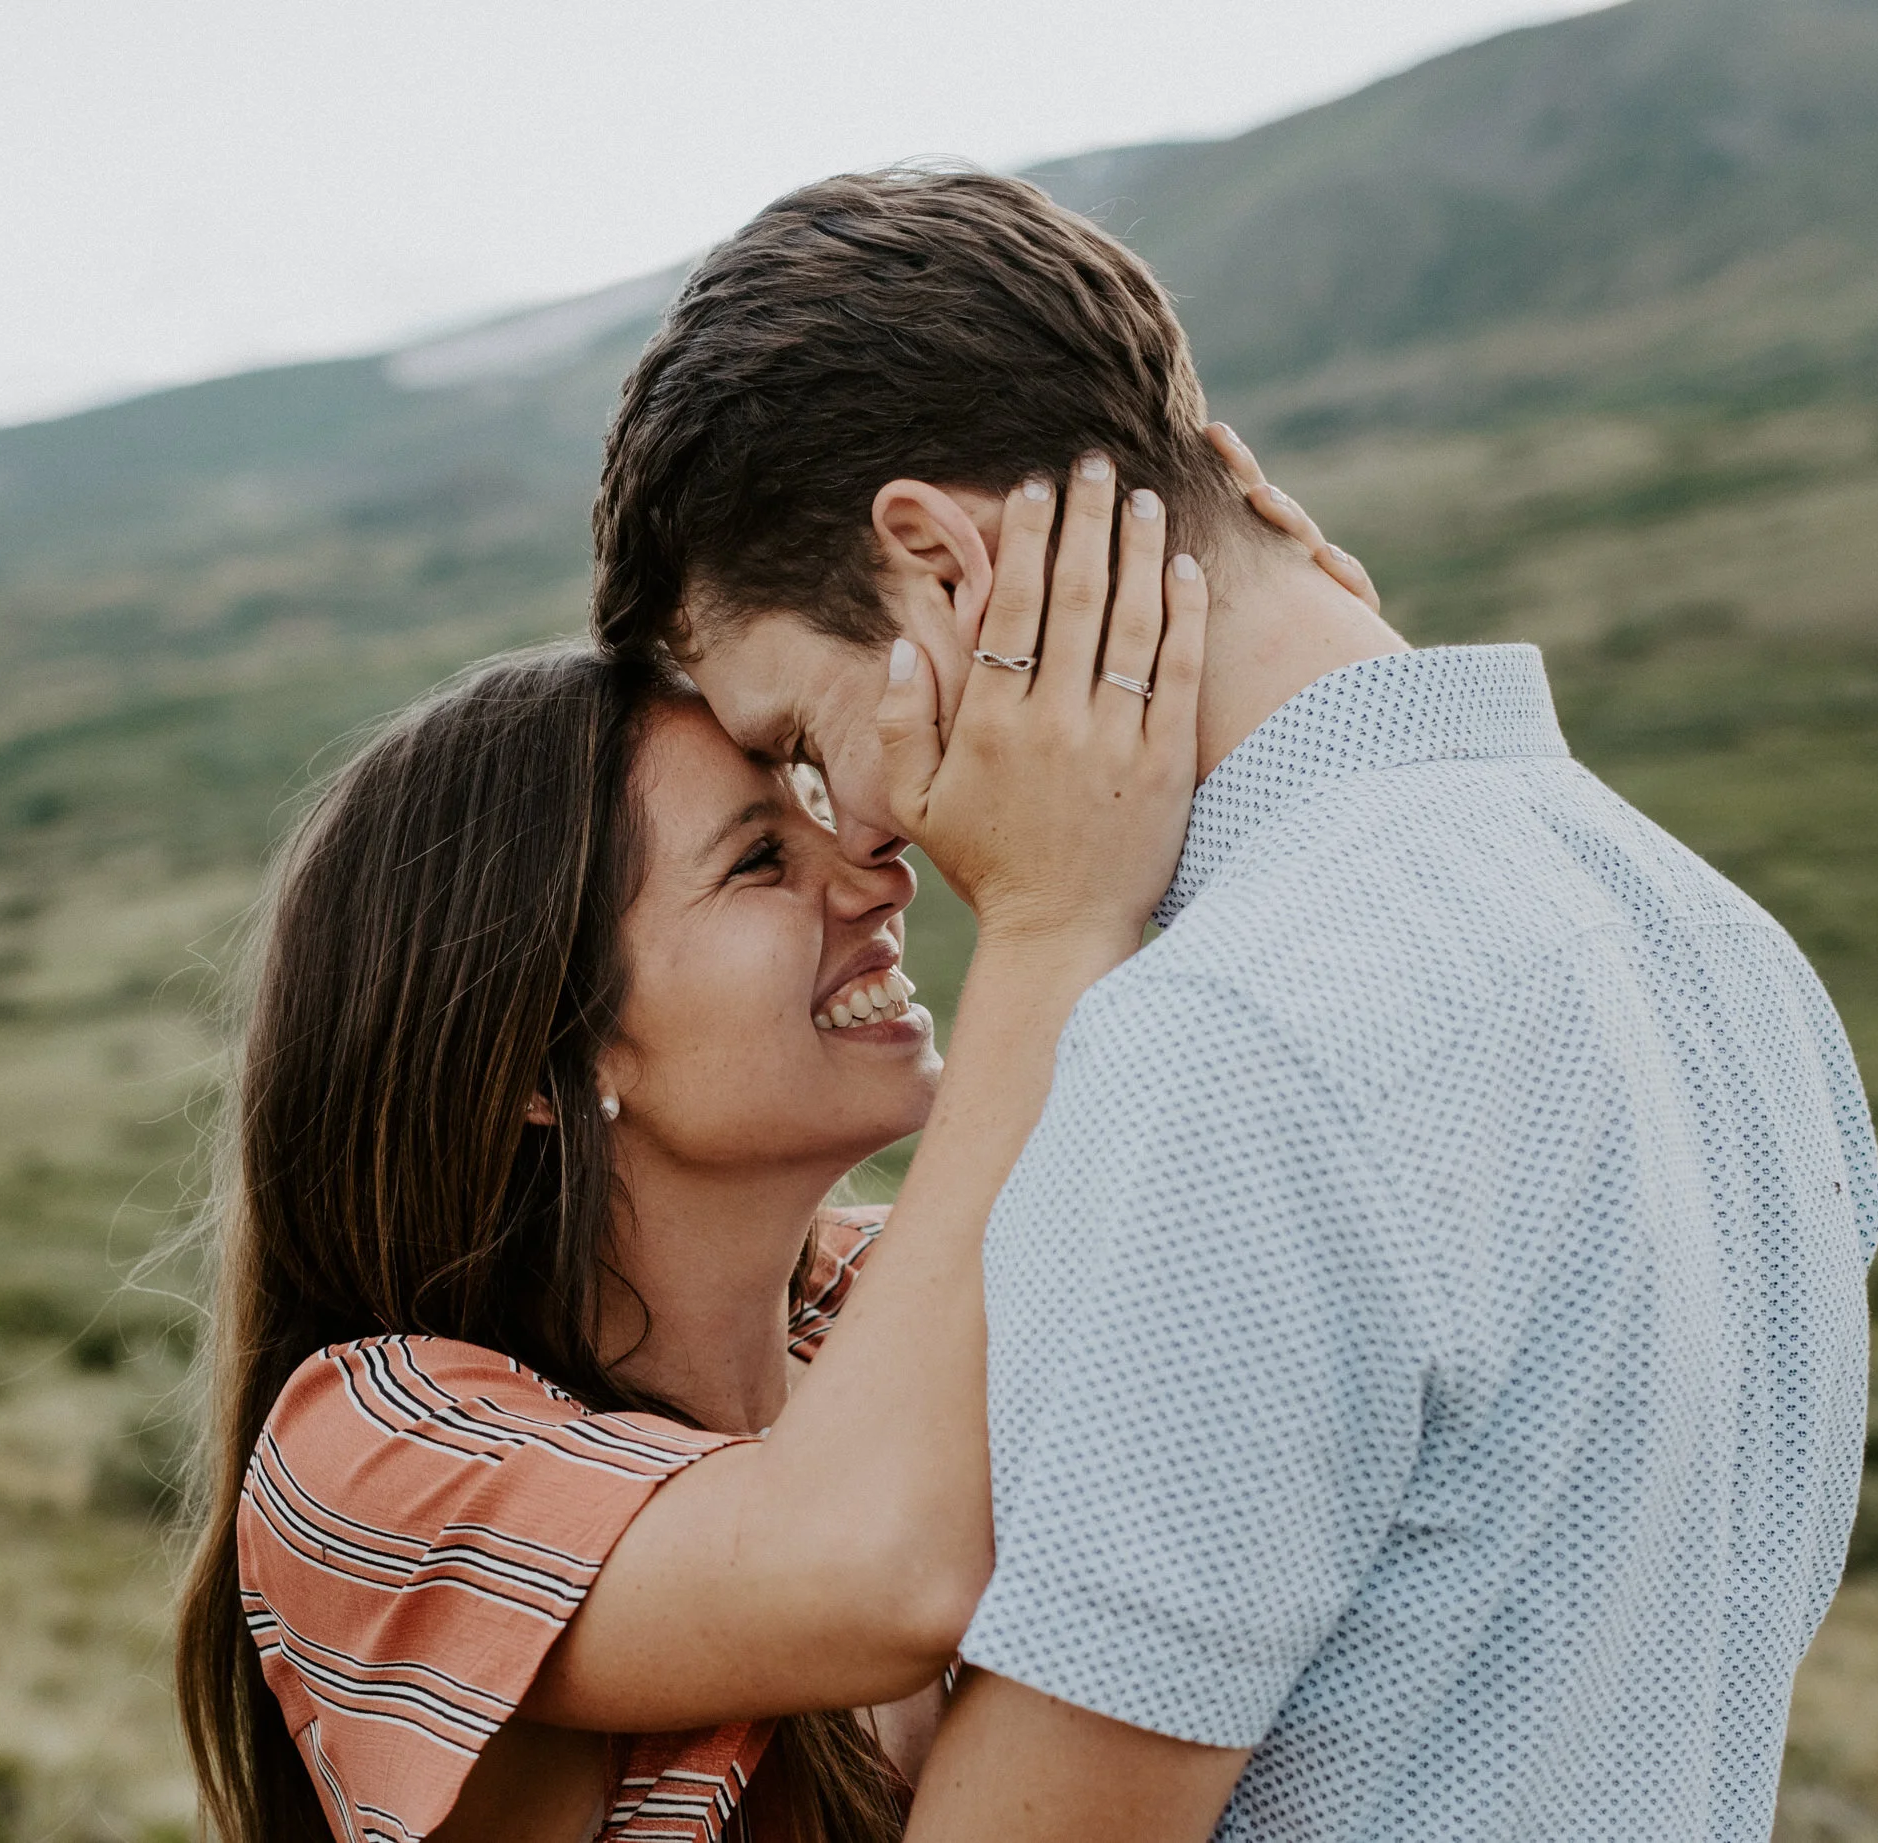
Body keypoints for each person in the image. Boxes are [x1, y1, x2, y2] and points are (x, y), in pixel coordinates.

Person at [592, 167, 1878, 1842]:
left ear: (933, 567)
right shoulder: (1725, 949)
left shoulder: (1231, 1039)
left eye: (798, 739)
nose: (858, 830)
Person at [174, 466, 1211, 1843]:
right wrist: (1048, 922)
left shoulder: (885, 1306)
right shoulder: (366, 1453)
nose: (879, 871)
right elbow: (874, 1569)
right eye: (759, 863)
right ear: (556, 1056)